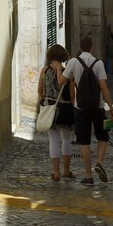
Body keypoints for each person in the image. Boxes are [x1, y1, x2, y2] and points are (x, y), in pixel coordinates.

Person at [64, 33, 113, 184]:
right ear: (92, 48)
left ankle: (88, 176)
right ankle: (99, 162)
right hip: (97, 106)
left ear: (80, 48)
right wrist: (111, 108)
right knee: (102, 136)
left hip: (80, 108)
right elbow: (103, 87)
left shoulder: (73, 62)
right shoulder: (98, 63)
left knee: (84, 142)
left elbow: (63, 80)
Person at [37, 43, 75, 181]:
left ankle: (56, 172)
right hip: (65, 108)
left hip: (49, 107)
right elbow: (72, 95)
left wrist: (45, 100)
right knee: (66, 140)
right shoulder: (68, 72)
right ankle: (66, 170)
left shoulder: (44, 71)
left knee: (53, 140)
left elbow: (40, 90)